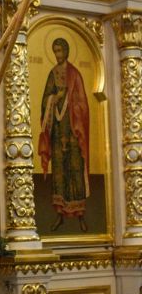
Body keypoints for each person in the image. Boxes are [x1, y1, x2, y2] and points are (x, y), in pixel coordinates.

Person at [38, 37, 90, 232]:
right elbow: (45, 101)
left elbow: (83, 105)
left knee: (75, 169)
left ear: (67, 51)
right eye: (55, 51)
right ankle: (59, 215)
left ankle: (80, 215)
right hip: (58, 132)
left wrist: (72, 104)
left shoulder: (75, 74)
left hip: (74, 132)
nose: (58, 55)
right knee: (59, 172)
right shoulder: (52, 74)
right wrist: (54, 97)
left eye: (60, 51)